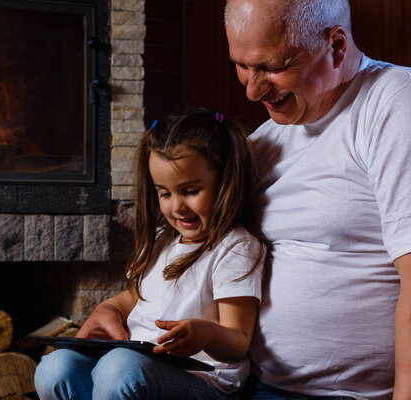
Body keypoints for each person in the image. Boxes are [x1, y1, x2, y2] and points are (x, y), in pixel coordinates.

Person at [223, 0, 411, 398]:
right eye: (242, 65)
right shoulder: (264, 142)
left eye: (271, 67)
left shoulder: (393, 102)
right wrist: (120, 306)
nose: (252, 91)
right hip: (258, 386)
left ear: (336, 46)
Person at [34, 108, 266, 399]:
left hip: (202, 378)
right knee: (54, 366)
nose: (176, 207)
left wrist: (205, 334)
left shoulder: (235, 248)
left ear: (226, 181)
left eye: (191, 191)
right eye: (164, 193)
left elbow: (238, 340)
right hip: (137, 364)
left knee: (119, 369)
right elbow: (136, 296)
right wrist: (111, 308)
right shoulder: (160, 239)